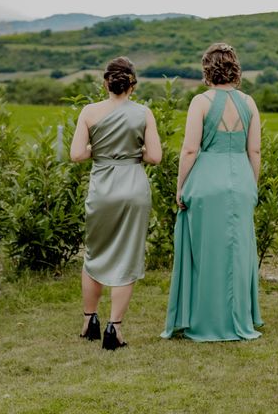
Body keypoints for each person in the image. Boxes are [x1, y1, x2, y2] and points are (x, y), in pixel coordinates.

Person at [161, 43, 263, 342]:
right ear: (235, 68)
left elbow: (191, 148)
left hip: (206, 181)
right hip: (241, 180)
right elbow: (254, 149)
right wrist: (251, 185)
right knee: (238, 252)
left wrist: (180, 185)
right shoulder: (249, 102)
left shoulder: (201, 102)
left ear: (207, 69)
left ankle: (206, 320)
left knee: (205, 253)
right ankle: (239, 319)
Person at [71, 57, 162, 350]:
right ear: (132, 84)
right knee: (128, 255)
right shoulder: (144, 113)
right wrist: (133, 151)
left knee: (94, 252)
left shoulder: (89, 112)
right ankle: (115, 328)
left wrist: (99, 149)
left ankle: (89, 322)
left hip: (103, 189)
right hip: (133, 186)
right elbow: (155, 157)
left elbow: (77, 155)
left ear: (105, 83)